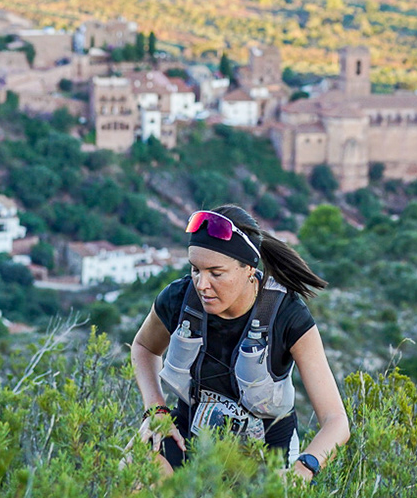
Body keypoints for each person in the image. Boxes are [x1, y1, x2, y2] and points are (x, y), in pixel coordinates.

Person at [130, 204, 349, 482]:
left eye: (216, 273)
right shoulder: (179, 298)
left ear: (248, 268)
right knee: (135, 467)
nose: (201, 284)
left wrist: (303, 469)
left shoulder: (287, 315)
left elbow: (335, 420)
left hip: (264, 457)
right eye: (195, 269)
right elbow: (144, 347)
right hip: (190, 440)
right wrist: (156, 409)